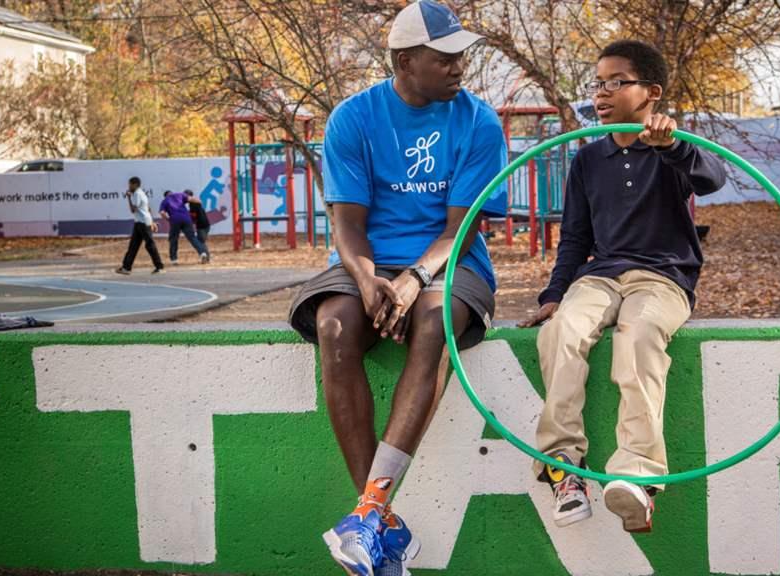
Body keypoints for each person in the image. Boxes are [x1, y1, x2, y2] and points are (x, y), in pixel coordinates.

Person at [287, 2, 506, 574]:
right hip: (367, 261)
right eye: (446, 57)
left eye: (462, 56)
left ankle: (368, 512)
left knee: (433, 323)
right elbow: (348, 224)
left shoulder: (479, 121)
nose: (460, 66)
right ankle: (376, 519)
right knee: (334, 324)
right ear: (406, 61)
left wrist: (413, 278)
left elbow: (461, 229)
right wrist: (367, 279)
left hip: (452, 263)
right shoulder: (354, 118)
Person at [520, 40, 727, 533]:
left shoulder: (674, 151)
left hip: (662, 276)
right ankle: (563, 469)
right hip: (602, 273)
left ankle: (637, 475)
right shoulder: (588, 159)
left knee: (638, 336)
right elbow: (574, 237)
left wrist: (672, 146)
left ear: (650, 93)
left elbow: (714, 178)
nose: (602, 93)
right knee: (564, 331)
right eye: (598, 83)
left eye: (616, 82)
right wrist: (554, 296)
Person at [116, 176, 165, 275]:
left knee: (149, 245)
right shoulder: (141, 193)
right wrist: (152, 221)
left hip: (143, 223)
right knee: (133, 246)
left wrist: (129, 198)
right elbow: (148, 209)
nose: (128, 186)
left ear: (135, 184)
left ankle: (159, 267)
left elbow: (133, 209)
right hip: (140, 222)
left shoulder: (137, 194)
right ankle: (126, 267)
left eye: (130, 184)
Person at [159, 189, 208, 265]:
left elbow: (162, 213)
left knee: (173, 239)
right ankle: (202, 253)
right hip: (186, 219)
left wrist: (168, 219)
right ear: (172, 192)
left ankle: (174, 259)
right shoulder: (179, 195)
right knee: (192, 238)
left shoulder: (165, 201)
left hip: (175, 220)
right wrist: (199, 201)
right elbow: (192, 199)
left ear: (165, 196)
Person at [185, 190, 211, 260]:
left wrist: (186, 216)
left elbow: (193, 215)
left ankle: (206, 257)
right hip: (206, 224)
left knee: (200, 242)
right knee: (201, 241)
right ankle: (206, 256)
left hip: (201, 226)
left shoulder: (193, 204)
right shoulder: (196, 202)